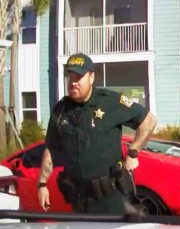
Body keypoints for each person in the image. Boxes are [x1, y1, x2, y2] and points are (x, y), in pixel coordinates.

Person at [37, 53, 157, 214]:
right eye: (70, 76)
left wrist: (133, 152)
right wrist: (42, 184)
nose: (73, 82)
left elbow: (148, 121)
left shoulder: (109, 101)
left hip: (112, 200)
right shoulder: (60, 111)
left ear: (91, 77)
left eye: (78, 77)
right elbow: (51, 149)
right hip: (79, 201)